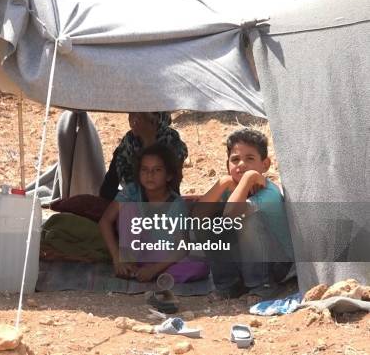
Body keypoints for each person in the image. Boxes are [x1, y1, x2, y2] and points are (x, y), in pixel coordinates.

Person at [195, 128, 292, 299]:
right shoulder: (230, 186)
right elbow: (196, 218)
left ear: (265, 164)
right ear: (227, 165)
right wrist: (223, 183)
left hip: (278, 265)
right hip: (246, 260)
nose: (241, 164)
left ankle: (263, 287)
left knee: (247, 219)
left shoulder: (269, 192)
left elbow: (232, 216)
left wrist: (248, 179)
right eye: (235, 159)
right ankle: (228, 285)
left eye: (250, 159)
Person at [99, 144, 188, 282]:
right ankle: (129, 265)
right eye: (144, 170)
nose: (149, 175)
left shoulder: (177, 205)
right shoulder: (131, 192)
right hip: (134, 253)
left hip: (161, 256)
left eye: (157, 170)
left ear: (169, 175)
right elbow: (105, 221)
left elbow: (181, 247)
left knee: (198, 267)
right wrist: (117, 259)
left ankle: (148, 272)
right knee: (128, 208)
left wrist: (154, 269)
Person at [100, 112, 188, 200]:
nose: (133, 120)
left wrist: (149, 140)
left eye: (140, 116)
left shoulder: (171, 140)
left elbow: (164, 187)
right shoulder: (129, 141)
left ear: (155, 119)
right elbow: (107, 189)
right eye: (131, 114)